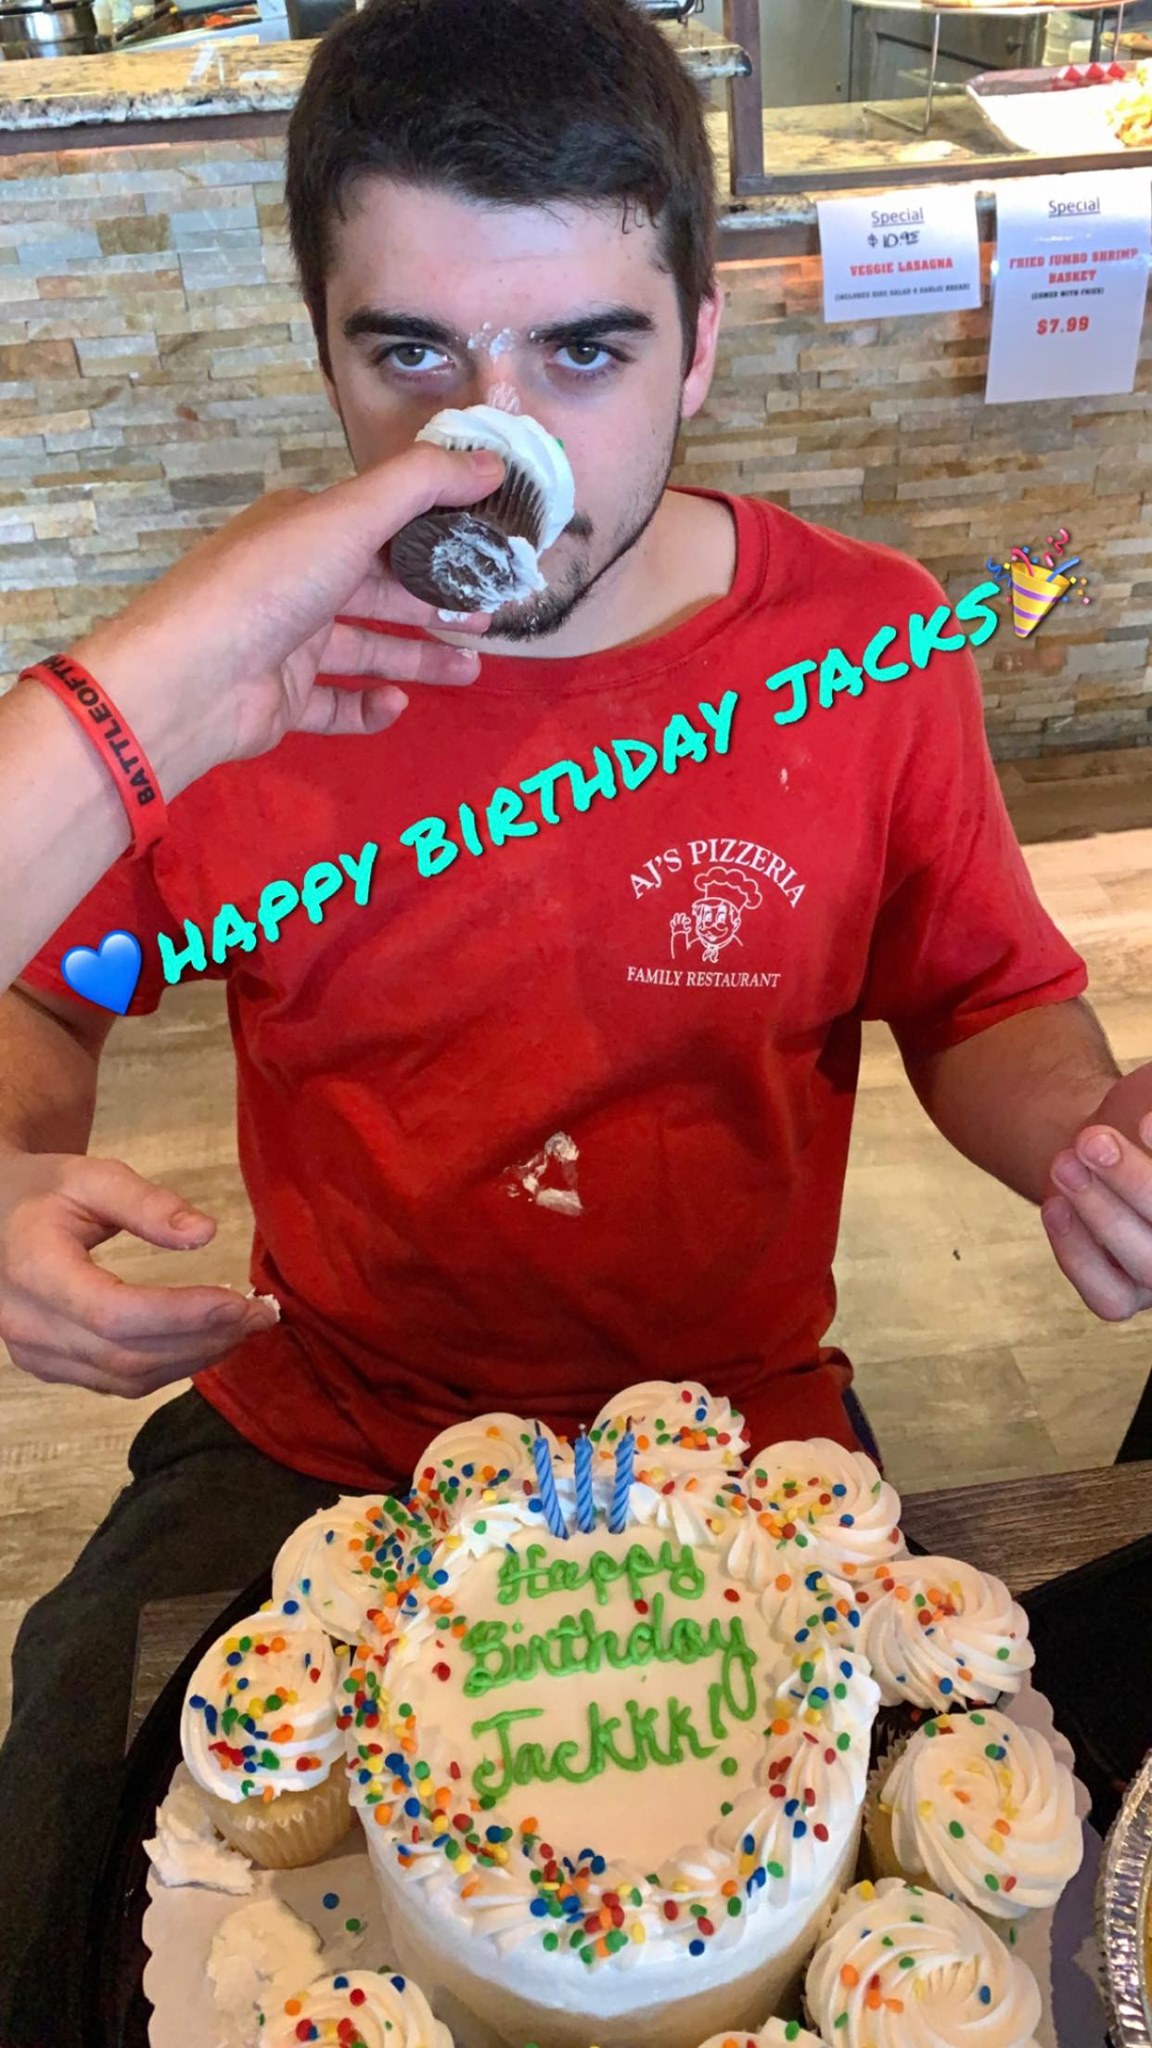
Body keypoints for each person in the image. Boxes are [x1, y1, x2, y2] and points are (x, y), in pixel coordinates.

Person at [1, 0, 1151, 2037]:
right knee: (63, 1865)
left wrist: (1090, 1137)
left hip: (748, 1436)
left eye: (584, 354)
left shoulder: (872, 646)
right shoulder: (235, 667)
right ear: (323, 346)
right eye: (412, 356)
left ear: (699, 343)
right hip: (326, 1425)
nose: (495, 447)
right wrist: (9, 1163)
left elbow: (982, 994)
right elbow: (56, 983)